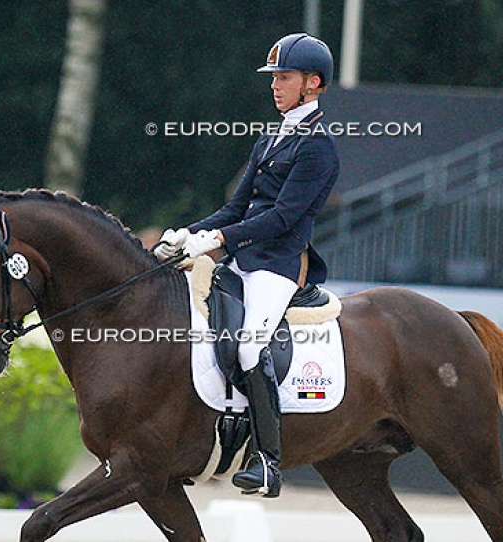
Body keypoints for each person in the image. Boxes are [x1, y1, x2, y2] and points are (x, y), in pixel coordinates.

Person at [154, 33, 339, 498]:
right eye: (274, 78)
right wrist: (187, 235)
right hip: (241, 259)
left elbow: (282, 218)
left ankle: (268, 461)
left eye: (285, 77)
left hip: (277, 266)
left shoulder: (318, 148)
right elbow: (237, 208)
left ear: (312, 84)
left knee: (251, 349)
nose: (275, 85)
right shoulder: (270, 138)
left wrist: (216, 240)